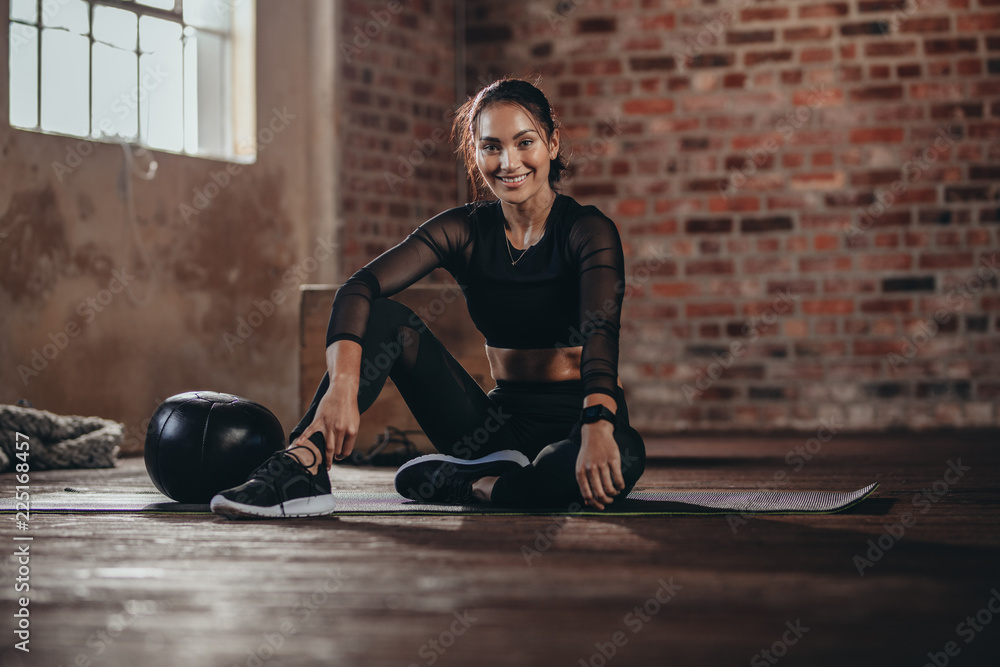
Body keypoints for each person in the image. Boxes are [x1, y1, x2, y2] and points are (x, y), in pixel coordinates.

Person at [210, 77, 646, 519]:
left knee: (623, 458)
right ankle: (303, 464)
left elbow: (600, 331)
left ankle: (477, 485)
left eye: (524, 142)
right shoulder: (464, 229)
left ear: (552, 144)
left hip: (582, 419)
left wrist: (597, 423)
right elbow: (360, 288)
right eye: (491, 146)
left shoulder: (588, 231)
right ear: (476, 155)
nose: (508, 161)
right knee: (385, 320)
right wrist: (342, 384)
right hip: (494, 431)